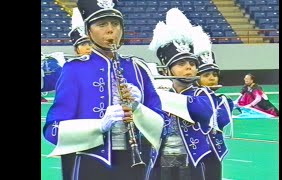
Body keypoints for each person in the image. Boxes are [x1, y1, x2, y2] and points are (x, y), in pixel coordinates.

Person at [42, 0, 165, 179]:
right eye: (102, 24)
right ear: (88, 32)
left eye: (115, 24)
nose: (110, 30)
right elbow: (52, 129)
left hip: (135, 163)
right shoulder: (74, 69)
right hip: (89, 164)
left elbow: (163, 125)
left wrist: (139, 110)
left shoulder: (138, 68)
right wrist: (98, 126)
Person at [147, 8, 230, 180]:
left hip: (193, 159)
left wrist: (158, 95)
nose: (189, 67)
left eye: (192, 63)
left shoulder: (203, 94)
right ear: (167, 70)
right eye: (182, 63)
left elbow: (202, 110)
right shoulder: (160, 93)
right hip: (163, 157)